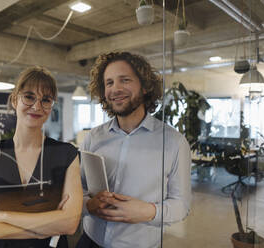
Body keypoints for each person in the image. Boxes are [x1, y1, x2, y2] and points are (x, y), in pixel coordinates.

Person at [76, 52, 191, 248]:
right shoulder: (93, 137)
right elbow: (78, 189)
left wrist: (148, 211)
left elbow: (181, 206)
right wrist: (88, 204)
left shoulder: (174, 142)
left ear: (145, 86)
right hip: (89, 241)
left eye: (125, 80)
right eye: (109, 83)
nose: (116, 89)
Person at [0, 66, 83, 248]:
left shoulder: (66, 154)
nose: (36, 106)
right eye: (29, 97)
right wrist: (42, 229)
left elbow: (70, 223)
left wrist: (3, 216)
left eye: (46, 100)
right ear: (14, 100)